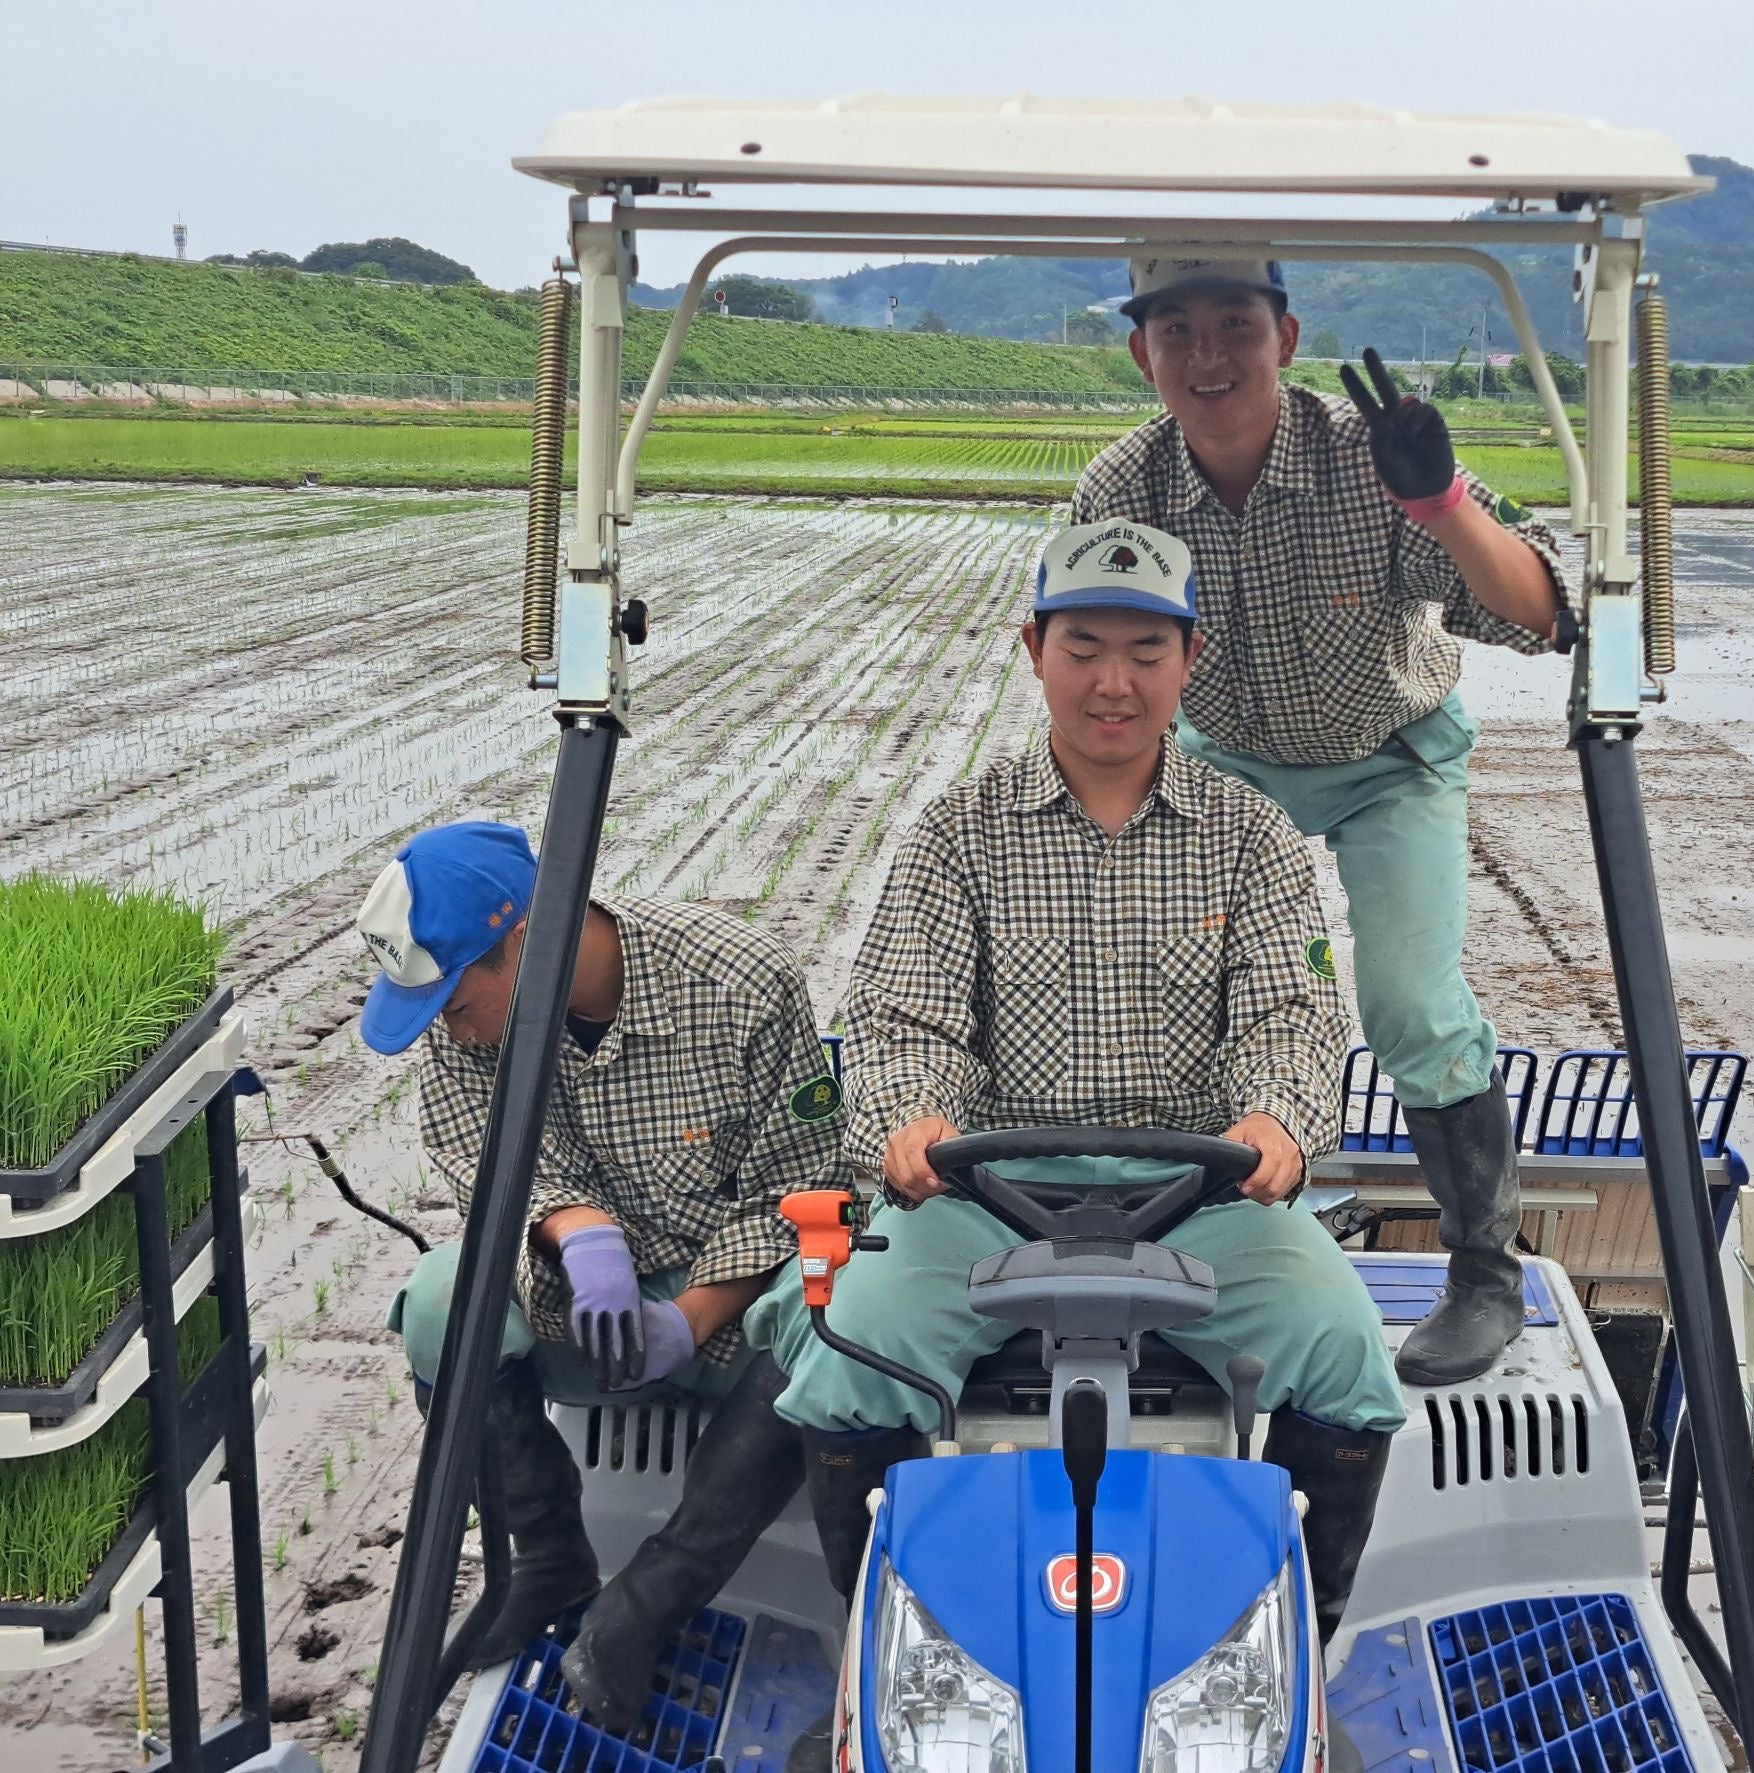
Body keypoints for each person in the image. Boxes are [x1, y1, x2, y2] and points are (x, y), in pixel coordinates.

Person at [748, 519, 1403, 1644]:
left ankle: (1301, 1633)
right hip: (984, 1193)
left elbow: (1292, 1015)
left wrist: (1275, 1120)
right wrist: (912, 1120)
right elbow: (902, 1018)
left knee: (1343, 1349)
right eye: (1085, 647)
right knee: (853, 1345)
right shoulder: (959, 834)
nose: (1116, 682)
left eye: (1148, 653)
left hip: (1202, 1191)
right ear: (1033, 648)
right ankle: (889, 1638)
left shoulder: (1251, 837)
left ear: (1189, 662)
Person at [1069, 259, 1575, 1385]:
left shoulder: (1369, 456)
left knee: (1411, 1005)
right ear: (1141, 353)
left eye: (1235, 328)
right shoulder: (1123, 488)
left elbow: (1545, 613)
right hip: (1224, 761)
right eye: (1178, 332)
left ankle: (1485, 1271)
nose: (1209, 359)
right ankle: (1185, 1229)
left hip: (1388, 756)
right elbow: (1095, 656)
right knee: (1159, 982)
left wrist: (1441, 505)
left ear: (1285, 338)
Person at [357, 821, 840, 1712]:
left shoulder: (737, 981)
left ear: (526, 943)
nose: (453, 1033)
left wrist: (691, 1316)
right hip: (590, 1309)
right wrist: (581, 1234)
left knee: (835, 1312)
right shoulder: (459, 1025)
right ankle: (546, 1560)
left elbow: (803, 1181)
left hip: (737, 1307)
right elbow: (484, 1150)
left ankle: (646, 1601)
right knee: (440, 1301)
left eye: (460, 1005)